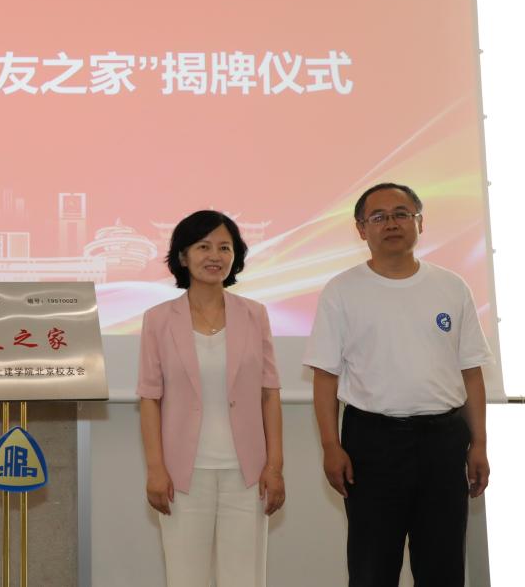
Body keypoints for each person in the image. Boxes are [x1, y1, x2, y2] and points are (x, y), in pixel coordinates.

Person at [305, 182, 491, 587]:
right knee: (372, 568)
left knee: (443, 567)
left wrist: (479, 443)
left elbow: (471, 372)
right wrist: (330, 446)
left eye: (401, 214)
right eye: (378, 217)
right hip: (372, 443)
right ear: (361, 229)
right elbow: (325, 376)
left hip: (444, 441)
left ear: (420, 223)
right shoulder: (342, 290)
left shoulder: (452, 286)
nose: (391, 223)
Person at [137, 210, 284, 587]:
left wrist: (274, 466)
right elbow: (150, 398)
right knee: (185, 576)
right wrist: (155, 468)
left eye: (224, 247)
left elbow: (269, 394)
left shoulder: (254, 314)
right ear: (183, 256)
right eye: (203, 247)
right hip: (182, 474)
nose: (215, 256)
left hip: (248, 473)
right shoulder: (158, 319)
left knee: (245, 577)